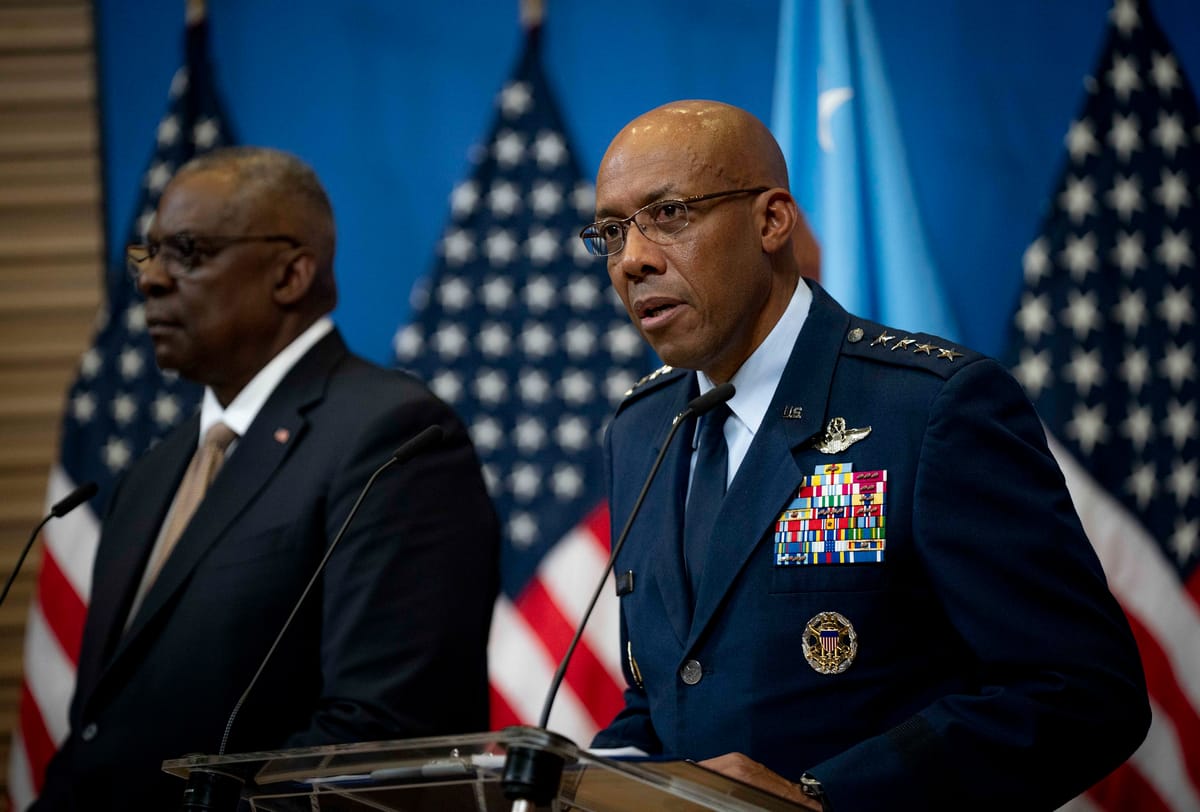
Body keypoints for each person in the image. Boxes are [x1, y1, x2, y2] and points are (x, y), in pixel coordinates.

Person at [585, 101, 1149, 810]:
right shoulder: (641, 428)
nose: (632, 259)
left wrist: (823, 799)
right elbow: (675, 695)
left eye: (668, 215)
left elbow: (1085, 692)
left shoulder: (931, 408)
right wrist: (579, 779)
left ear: (771, 221)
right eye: (610, 231)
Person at [34, 147, 500, 811]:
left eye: (189, 251)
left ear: (290, 274)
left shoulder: (394, 438)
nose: (152, 280)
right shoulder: (154, 471)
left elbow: (381, 738)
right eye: (150, 253)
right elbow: (101, 733)